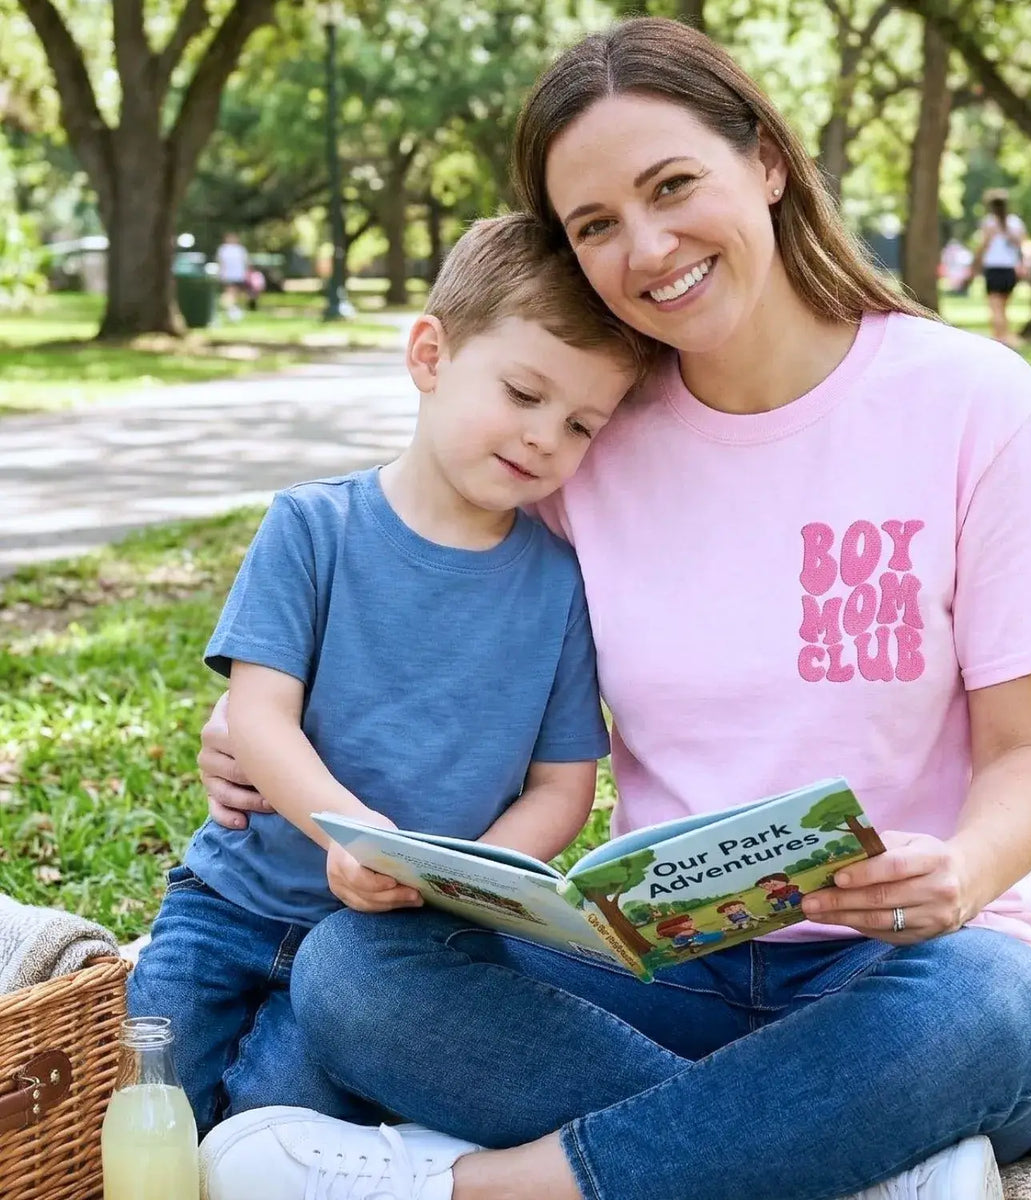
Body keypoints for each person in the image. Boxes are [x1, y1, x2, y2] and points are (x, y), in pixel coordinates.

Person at [195, 17, 1031, 1200]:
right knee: (353, 972)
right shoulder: (587, 438)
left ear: (770, 162)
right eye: (595, 225)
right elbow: (410, 593)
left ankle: (486, 1187)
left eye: (673, 184)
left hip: (909, 971)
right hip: (657, 970)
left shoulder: (975, 402)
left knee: (995, 1011)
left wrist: (961, 868)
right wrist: (248, 728)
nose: (647, 246)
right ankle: (841, 1153)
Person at [127, 212, 649, 1136]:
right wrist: (355, 833)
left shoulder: (558, 584)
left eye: (578, 424)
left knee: (273, 1127)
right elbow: (258, 717)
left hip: (390, 940)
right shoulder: (312, 529)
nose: (543, 438)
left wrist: (467, 877)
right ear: (429, 355)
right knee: (145, 1103)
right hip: (232, 906)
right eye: (523, 393)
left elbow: (564, 787)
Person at [973, 190, 1027, 346]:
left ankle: (999, 339)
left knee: (995, 307)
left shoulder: (989, 223)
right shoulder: (1015, 223)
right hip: (1010, 270)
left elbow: (984, 246)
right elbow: (1020, 244)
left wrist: (975, 263)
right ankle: (1004, 337)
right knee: (1002, 307)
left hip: (994, 269)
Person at [216, 232, 250, 320]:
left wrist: (246, 273)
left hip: (239, 275)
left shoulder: (240, 249)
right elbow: (221, 262)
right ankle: (231, 310)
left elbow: (245, 262)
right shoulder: (223, 249)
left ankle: (233, 309)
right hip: (227, 275)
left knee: (236, 293)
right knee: (229, 292)